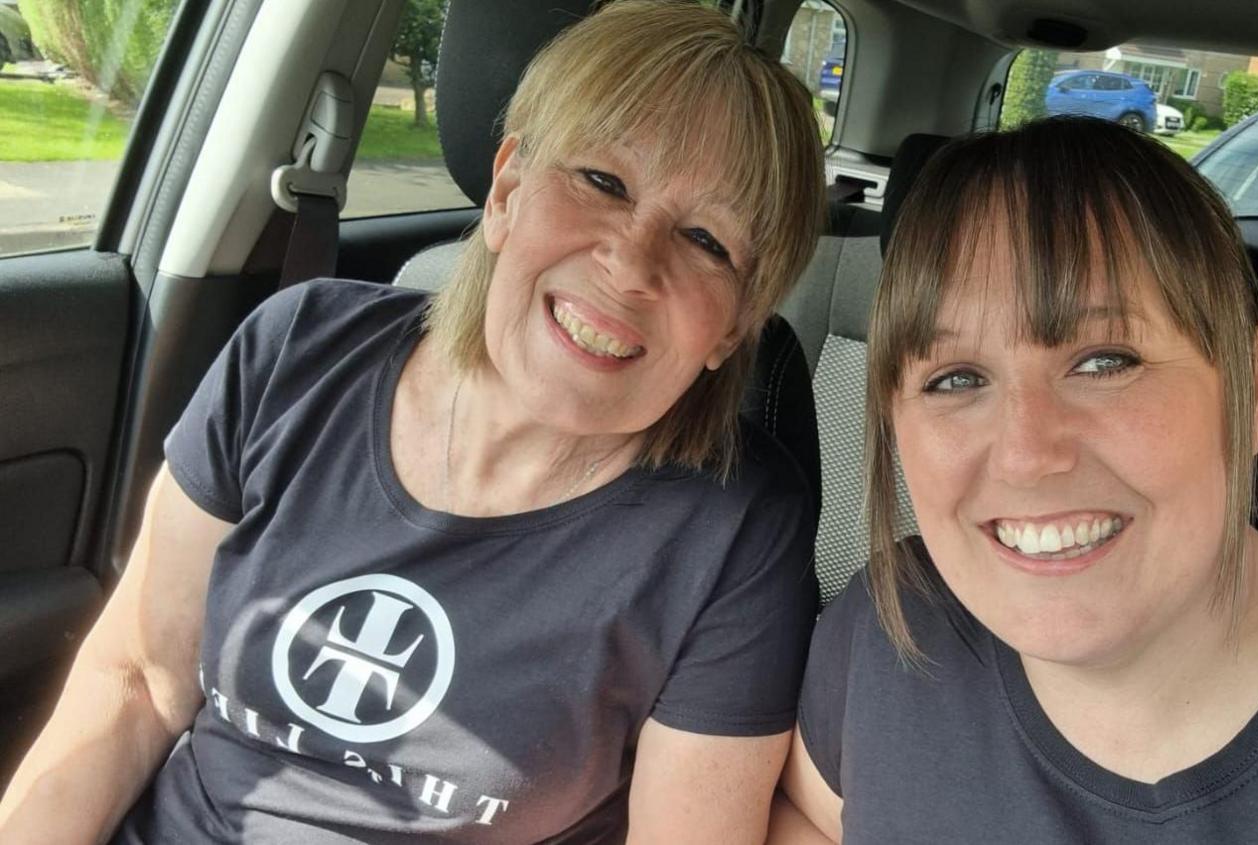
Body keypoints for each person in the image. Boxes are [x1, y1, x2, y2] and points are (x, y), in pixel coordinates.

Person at [0, 2, 825, 842]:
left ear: (734, 326)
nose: (633, 262)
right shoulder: (295, 353)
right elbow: (138, 678)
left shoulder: (735, 532)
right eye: (603, 181)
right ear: (506, 191)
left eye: (705, 239)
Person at [770, 119, 1258, 843]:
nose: (1026, 454)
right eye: (955, 378)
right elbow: (809, 814)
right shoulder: (892, 625)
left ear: (1250, 388)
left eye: (1104, 361)